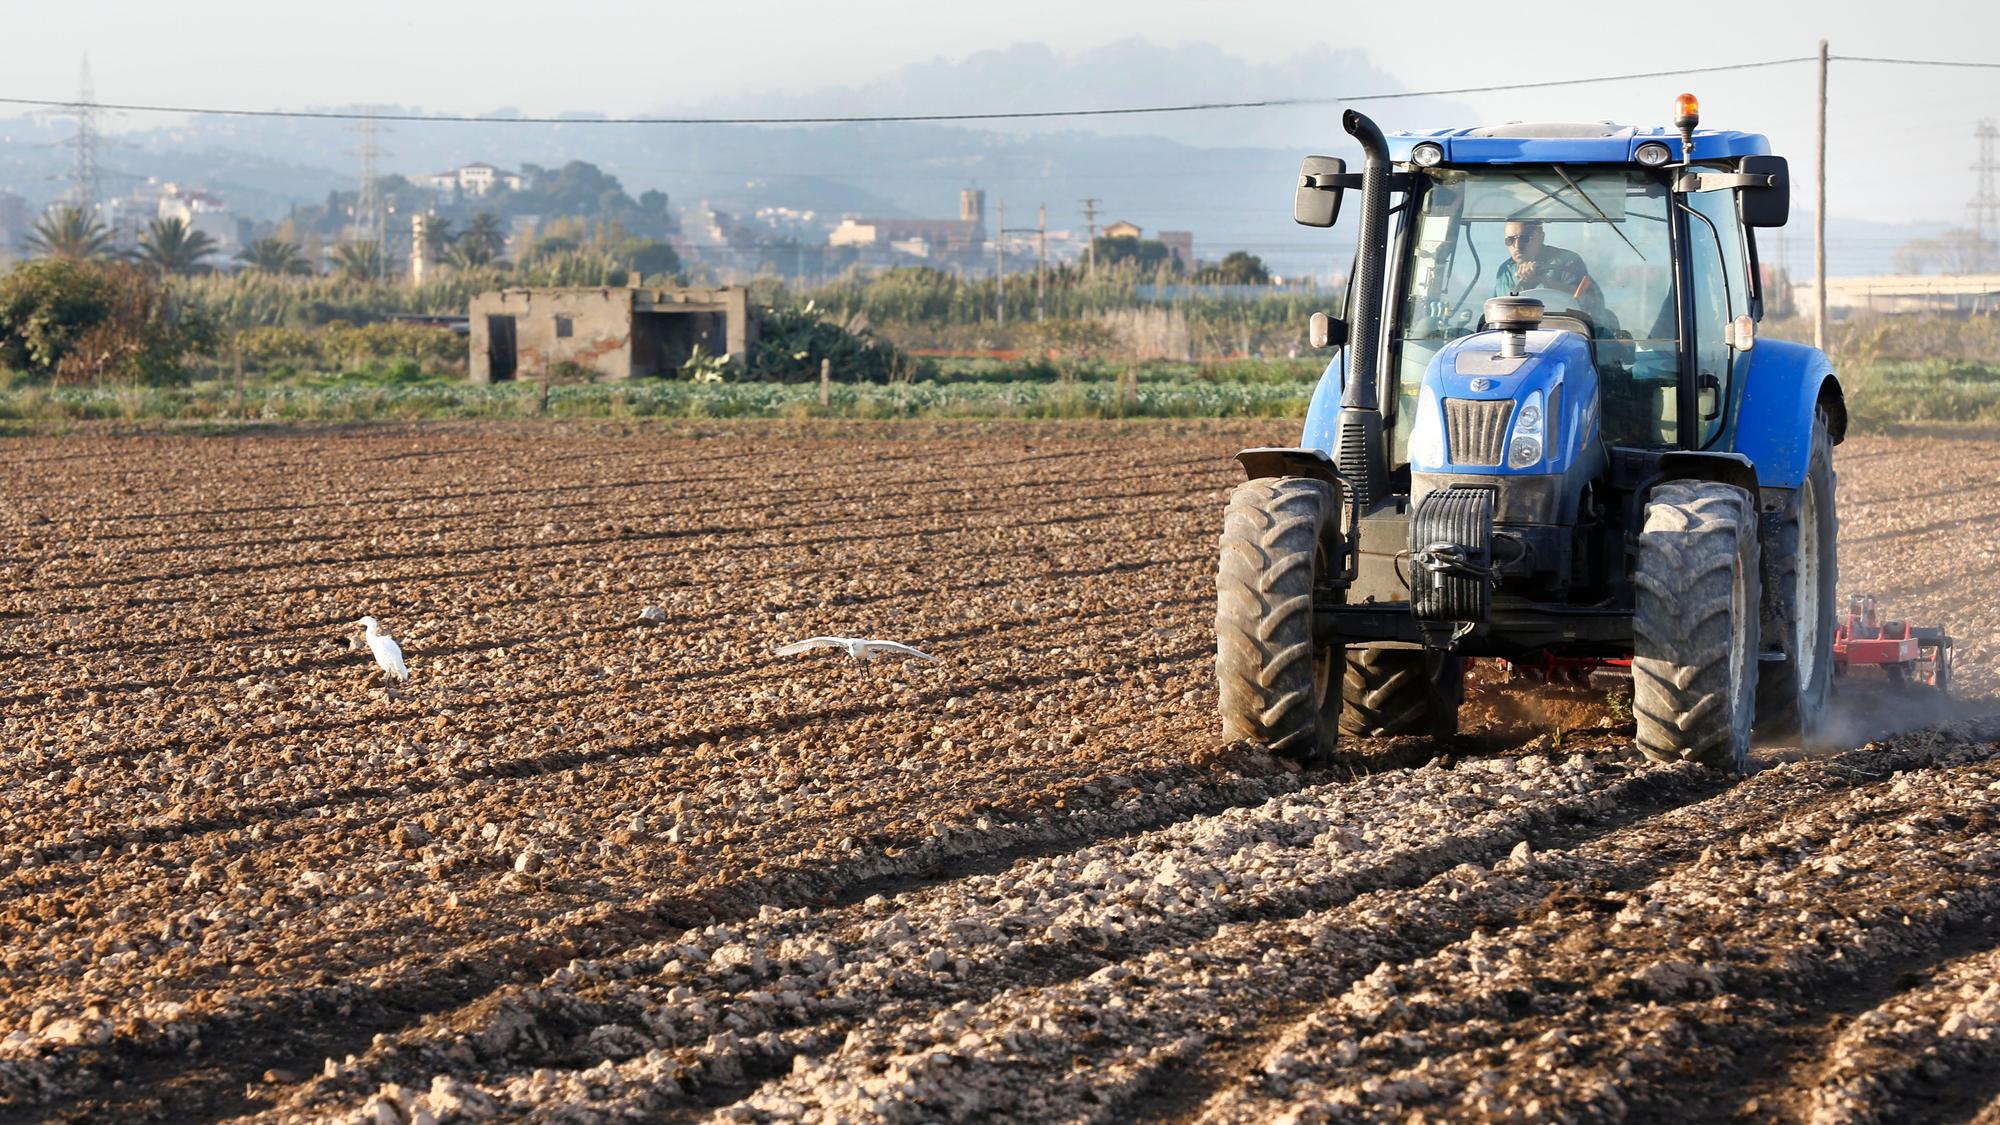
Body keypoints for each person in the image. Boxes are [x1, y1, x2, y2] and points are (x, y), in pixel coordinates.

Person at [1494, 220, 1604, 315]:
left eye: (1524, 238)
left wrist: (1543, 280)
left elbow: (1586, 302)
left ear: (1541, 237)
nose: (1517, 246)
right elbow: (1496, 312)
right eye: (1510, 240)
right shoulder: (1504, 272)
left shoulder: (1568, 261)